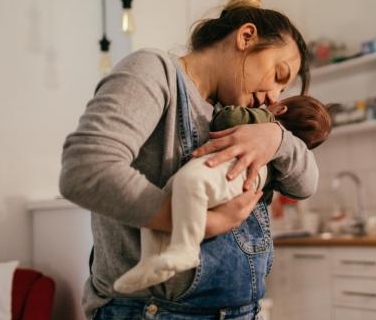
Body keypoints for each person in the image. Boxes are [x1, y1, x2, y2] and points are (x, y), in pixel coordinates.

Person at [59, 0, 317, 320]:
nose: (274, 96)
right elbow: (84, 169)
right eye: (278, 74)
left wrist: (276, 138)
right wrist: (197, 223)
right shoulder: (155, 71)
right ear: (245, 37)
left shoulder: (247, 119)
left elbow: (306, 185)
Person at [114, 96, 332, 294]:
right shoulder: (282, 162)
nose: (270, 97)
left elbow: (226, 119)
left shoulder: (263, 119)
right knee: (164, 199)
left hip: (235, 169)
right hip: (239, 180)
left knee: (189, 183)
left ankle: (185, 248)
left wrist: (260, 116)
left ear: (280, 108)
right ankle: (151, 261)